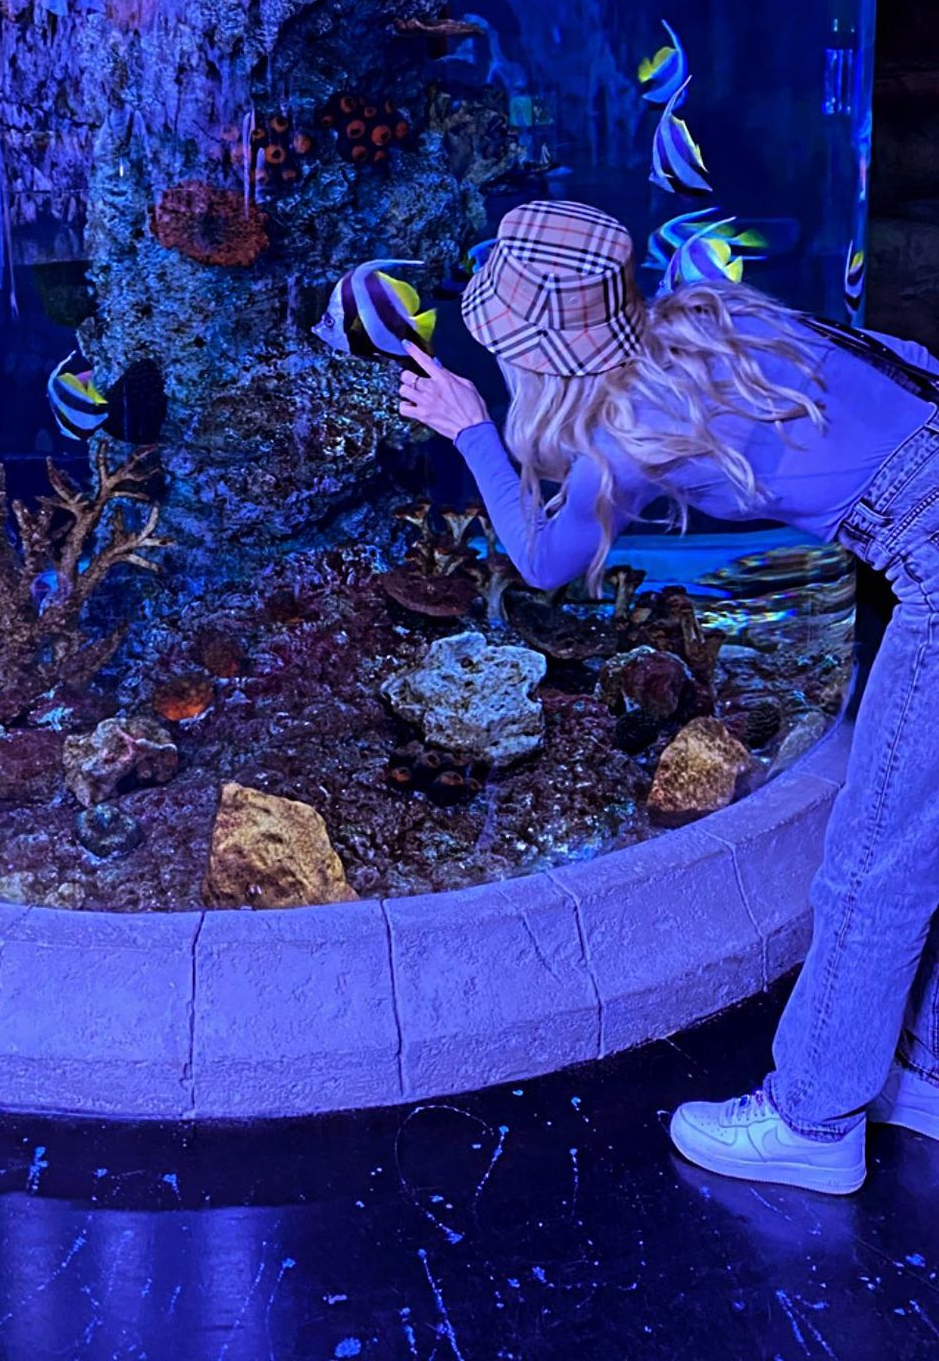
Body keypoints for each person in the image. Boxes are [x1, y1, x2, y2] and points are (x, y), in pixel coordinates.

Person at [398, 199, 939, 1197]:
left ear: (535, 355)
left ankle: (813, 1120)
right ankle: (923, 1073)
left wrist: (470, 430)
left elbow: (544, 560)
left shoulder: (630, 430)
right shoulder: (708, 316)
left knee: (873, 867)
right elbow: (901, 363)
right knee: (919, 833)